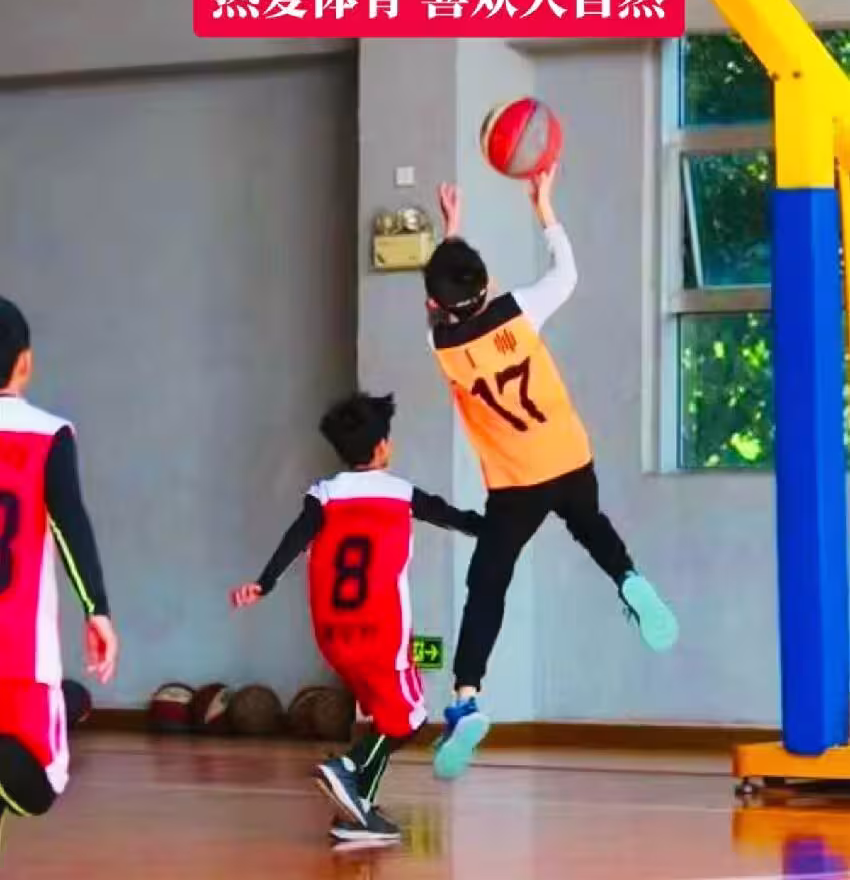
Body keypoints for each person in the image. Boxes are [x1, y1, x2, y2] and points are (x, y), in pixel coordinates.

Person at [421, 163, 679, 780]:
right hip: (568, 456)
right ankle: (627, 577)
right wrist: (544, 206)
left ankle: (467, 698)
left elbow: (445, 304)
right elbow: (566, 273)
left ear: (436, 302)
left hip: (515, 484)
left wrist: (448, 235)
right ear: (487, 282)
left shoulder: (442, 346)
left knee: (489, 584)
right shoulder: (520, 311)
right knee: (590, 524)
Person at [231, 390, 484, 845]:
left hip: (332, 634)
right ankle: (346, 768)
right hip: (381, 633)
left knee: (387, 718)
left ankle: (357, 812)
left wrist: (263, 583)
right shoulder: (401, 493)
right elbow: (456, 518)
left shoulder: (324, 494)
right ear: (383, 446)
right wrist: (500, 528)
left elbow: (294, 539)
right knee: (409, 720)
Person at [0, 297, 118, 849]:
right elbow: (71, 524)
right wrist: (97, 609)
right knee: (41, 783)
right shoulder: (48, 434)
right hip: (20, 655)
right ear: (25, 362)